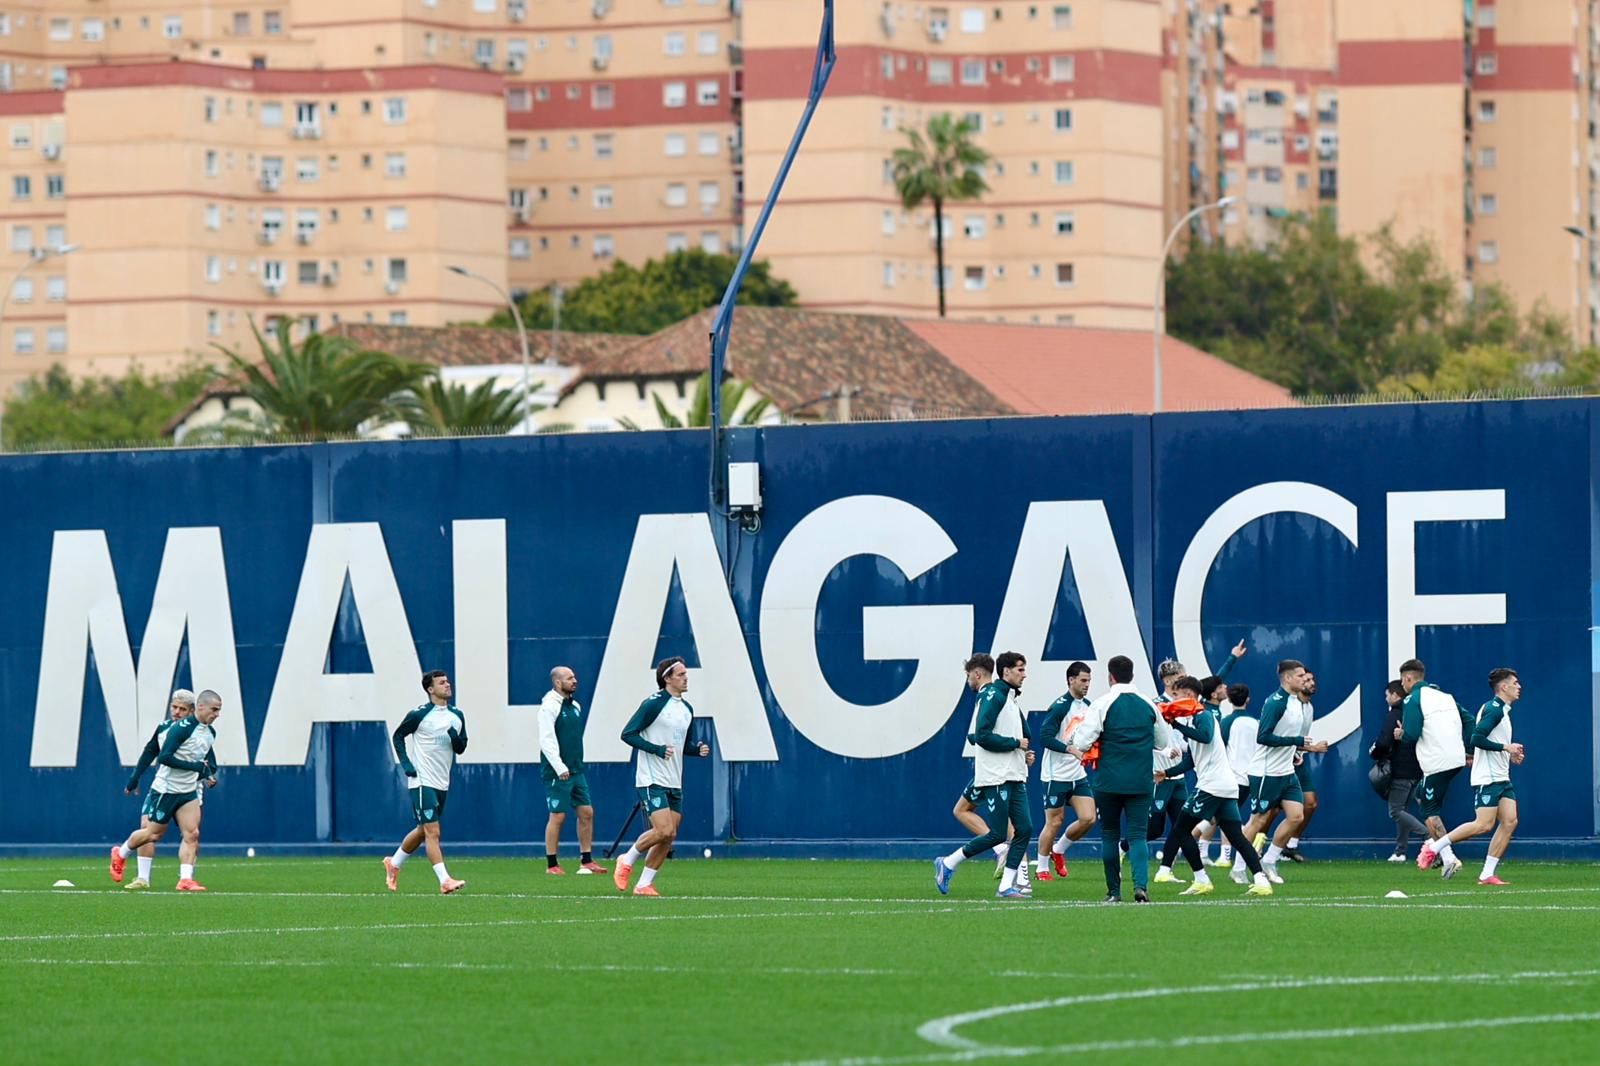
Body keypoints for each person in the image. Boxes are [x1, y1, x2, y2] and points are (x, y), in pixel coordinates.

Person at [1151, 676, 1273, 897]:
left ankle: (1201, 878)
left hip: (1212, 786)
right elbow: (1192, 760)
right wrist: (1166, 773)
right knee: (1236, 836)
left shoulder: (1203, 715)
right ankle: (1261, 880)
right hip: (1225, 785)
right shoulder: (1191, 719)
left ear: (1189, 695)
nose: (1173, 700)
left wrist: (1175, 724)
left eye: (1176, 695)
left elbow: (1206, 737)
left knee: (1180, 830)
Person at [1069, 654, 1171, 904]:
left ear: (1110, 677)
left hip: (1109, 781)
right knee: (1137, 835)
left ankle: (1114, 892)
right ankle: (1141, 887)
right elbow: (1163, 742)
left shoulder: (1103, 703)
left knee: (1110, 834)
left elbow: (1082, 741)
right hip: (1140, 780)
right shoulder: (1148, 703)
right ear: (1132, 675)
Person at [933, 651, 1035, 899]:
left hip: (1014, 773)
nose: (1024, 674)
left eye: (1024, 669)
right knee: (998, 834)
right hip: (997, 776)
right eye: (1019, 669)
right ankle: (948, 863)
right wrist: (1015, 743)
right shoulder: (992, 694)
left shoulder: (1008, 697)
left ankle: (1006, 886)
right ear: (1006, 671)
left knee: (1025, 829)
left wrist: (1023, 753)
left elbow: (1021, 734)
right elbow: (984, 736)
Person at [615, 656, 709, 897]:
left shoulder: (687, 709)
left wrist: (696, 750)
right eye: (680, 675)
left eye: (686, 674)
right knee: (663, 830)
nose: (686, 678)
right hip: (651, 778)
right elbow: (628, 734)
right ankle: (627, 858)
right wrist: (656, 749)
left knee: (670, 836)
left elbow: (682, 745)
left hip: (674, 780)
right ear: (667, 678)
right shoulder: (653, 704)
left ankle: (644, 884)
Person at [111, 690, 223, 891]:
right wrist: (134, 778)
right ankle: (122, 854)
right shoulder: (176, 729)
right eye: (175, 707)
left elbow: (207, 761)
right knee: (152, 833)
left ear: (191, 709)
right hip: (166, 788)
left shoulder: (209, 732)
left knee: (192, 833)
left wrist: (207, 774)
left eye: (182, 708)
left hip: (189, 790)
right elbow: (160, 756)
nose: (177, 712)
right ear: (200, 707)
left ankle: (185, 879)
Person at [1426, 668, 1526, 884]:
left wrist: (1509, 755)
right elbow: (1475, 739)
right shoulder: (1494, 709)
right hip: (1487, 779)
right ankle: (1434, 846)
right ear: (1503, 687)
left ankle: (1487, 873)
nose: (1519, 687)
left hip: (1501, 777)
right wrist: (1505, 748)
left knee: (1510, 821)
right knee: (1483, 825)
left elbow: (1489, 743)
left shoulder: (1503, 710)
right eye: (1515, 683)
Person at [1236, 659, 1328, 885]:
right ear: (1287, 679)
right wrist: (1296, 741)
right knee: (1259, 820)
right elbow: (1263, 736)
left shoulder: (1298, 703)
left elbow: (1292, 738)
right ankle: (1238, 867)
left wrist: (1297, 750)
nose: (1304, 679)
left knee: (1297, 816)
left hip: (1287, 770)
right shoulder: (1275, 702)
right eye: (1299, 676)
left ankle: (1270, 859)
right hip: (1266, 771)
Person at [383, 670, 469, 894]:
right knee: (433, 832)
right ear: (430, 689)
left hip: (442, 781)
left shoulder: (456, 715)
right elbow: (398, 736)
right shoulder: (419, 715)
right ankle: (445, 880)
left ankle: (394, 863)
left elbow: (461, 747)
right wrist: (406, 764)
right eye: (442, 683)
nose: (447, 685)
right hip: (422, 780)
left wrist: (455, 738)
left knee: (423, 831)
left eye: (447, 681)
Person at [1398, 658, 1475, 874]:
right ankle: (1442, 851)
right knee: (1421, 794)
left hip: (1436, 762)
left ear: (1408, 678)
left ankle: (1447, 856)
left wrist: (1400, 734)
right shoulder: (1446, 697)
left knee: (1430, 811)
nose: (1402, 686)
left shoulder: (1413, 698)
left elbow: (1411, 735)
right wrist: (1469, 748)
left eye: (1402, 681)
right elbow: (1469, 720)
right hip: (1456, 758)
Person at [950, 654, 1017, 878]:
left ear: (977, 674)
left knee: (968, 812)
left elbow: (986, 734)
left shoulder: (989, 694)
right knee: (1006, 819)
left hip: (992, 769)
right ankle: (1012, 865)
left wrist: (1014, 744)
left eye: (969, 675)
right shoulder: (1004, 695)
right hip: (1001, 768)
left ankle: (1007, 858)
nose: (968, 680)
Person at [538, 665, 607, 876]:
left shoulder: (575, 705)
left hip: (576, 770)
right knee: (557, 816)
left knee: (586, 812)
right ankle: (552, 865)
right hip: (558, 772)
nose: (575, 681)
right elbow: (546, 740)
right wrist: (559, 767)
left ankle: (586, 861)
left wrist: (574, 765)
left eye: (575, 677)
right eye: (569, 678)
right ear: (558, 683)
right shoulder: (549, 707)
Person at [1033, 661, 1096, 882]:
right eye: (1083, 680)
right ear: (1071, 680)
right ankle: (1041, 866)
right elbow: (1044, 737)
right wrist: (1070, 749)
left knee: (1089, 818)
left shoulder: (1089, 706)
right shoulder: (1060, 706)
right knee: (1055, 821)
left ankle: (1058, 850)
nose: (1087, 684)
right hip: (1055, 775)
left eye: (1089, 680)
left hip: (1077, 774)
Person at [1370, 679, 1428, 862]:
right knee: (1403, 809)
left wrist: (1374, 751)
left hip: (1400, 768)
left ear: (1395, 695)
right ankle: (1400, 851)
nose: (1386, 698)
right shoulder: (1417, 712)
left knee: (1395, 811)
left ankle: (1430, 837)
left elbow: (1384, 741)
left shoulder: (1395, 713)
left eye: (1387, 695)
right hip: (1418, 767)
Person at [1213, 682, 1256, 869]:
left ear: (1229, 700)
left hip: (1230, 776)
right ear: (1248, 699)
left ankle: (1224, 854)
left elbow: (1219, 748)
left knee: (1223, 816)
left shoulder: (1227, 721)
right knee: (1225, 816)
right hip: (1250, 777)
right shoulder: (1256, 723)